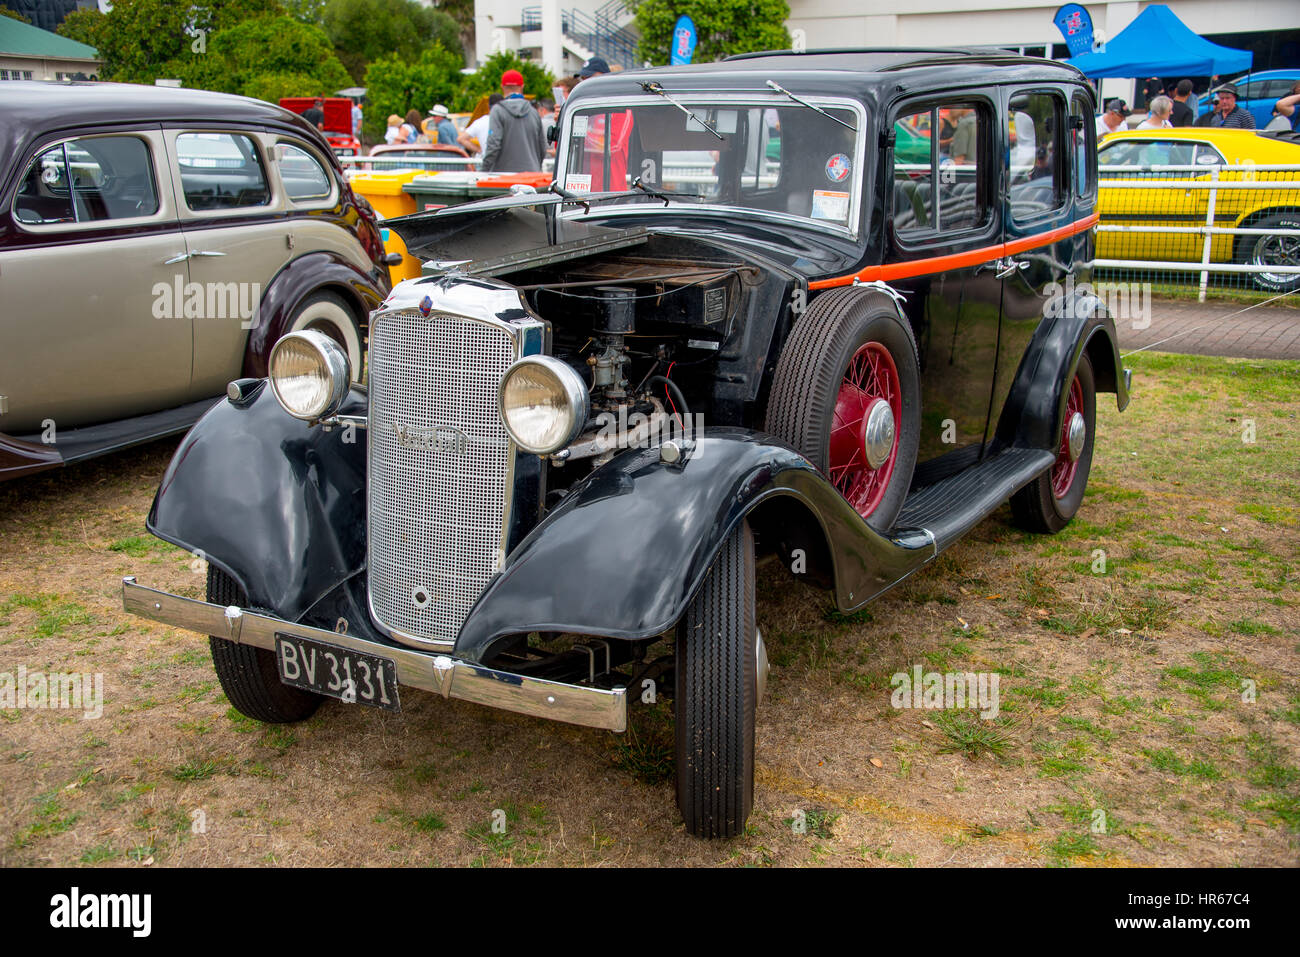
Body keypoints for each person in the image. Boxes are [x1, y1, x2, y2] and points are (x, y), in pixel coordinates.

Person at [482, 69, 547, 173]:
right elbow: (542, 147)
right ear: (522, 87)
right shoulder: (533, 111)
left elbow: (493, 145)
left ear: (502, 87)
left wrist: (483, 171)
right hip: (531, 175)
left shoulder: (497, 110)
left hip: (504, 176)